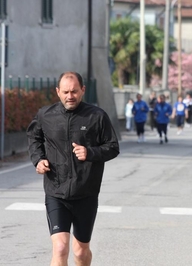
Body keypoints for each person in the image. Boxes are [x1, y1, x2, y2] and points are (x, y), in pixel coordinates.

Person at [27, 71, 120, 266]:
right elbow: (34, 138)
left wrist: (90, 153)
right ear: (58, 92)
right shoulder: (46, 115)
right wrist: (38, 160)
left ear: (83, 90)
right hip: (56, 192)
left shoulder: (97, 116)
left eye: (75, 91)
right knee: (60, 248)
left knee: (80, 251)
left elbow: (112, 147)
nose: (70, 96)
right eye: (66, 92)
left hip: (86, 193)